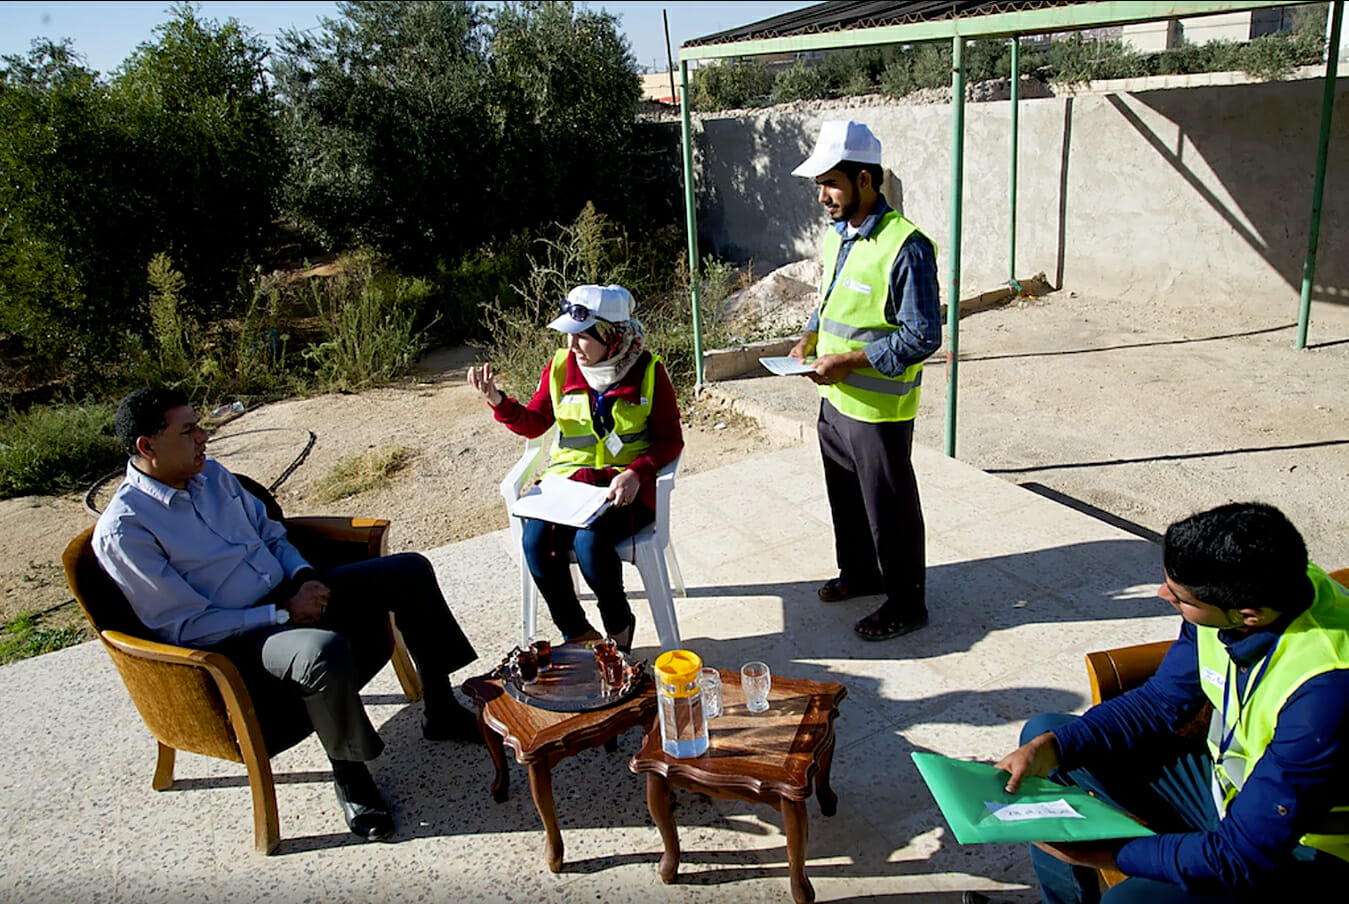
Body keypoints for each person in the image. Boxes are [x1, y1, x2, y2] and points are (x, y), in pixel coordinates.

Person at [93, 387, 481, 844]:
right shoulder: (127, 530)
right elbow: (185, 625)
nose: (203, 437)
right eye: (189, 429)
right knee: (321, 651)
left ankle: (441, 709)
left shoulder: (212, 476)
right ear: (147, 446)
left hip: (285, 593)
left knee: (410, 570)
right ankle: (353, 778)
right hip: (237, 635)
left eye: (199, 424)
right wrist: (280, 614)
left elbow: (272, 535)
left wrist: (304, 576)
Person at [992, 502, 1349, 903]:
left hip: (1302, 847)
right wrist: (1054, 747)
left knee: (1128, 900)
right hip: (1227, 789)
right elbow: (1161, 702)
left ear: (1249, 617)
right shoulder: (1258, 588)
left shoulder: (1326, 691)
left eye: (1181, 599)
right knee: (1047, 744)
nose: (1163, 595)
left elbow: (1241, 856)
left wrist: (1102, 854)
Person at [787, 119, 942, 641]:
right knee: (847, 499)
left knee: (889, 510)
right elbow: (829, 298)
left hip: (877, 411)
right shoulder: (839, 236)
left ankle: (906, 603)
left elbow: (923, 336)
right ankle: (861, 574)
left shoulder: (907, 246)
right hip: (835, 402)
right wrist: (809, 337)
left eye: (831, 183)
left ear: (865, 180)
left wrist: (848, 363)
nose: (823, 196)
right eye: (819, 185)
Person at [469, 283, 683, 651]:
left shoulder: (649, 371)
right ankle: (577, 634)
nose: (572, 347)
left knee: (590, 542)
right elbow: (534, 422)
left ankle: (619, 628)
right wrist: (498, 401)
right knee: (534, 542)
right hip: (568, 488)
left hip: (623, 489)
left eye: (583, 337)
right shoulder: (559, 367)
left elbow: (669, 441)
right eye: (569, 336)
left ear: (611, 335)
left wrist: (637, 472)